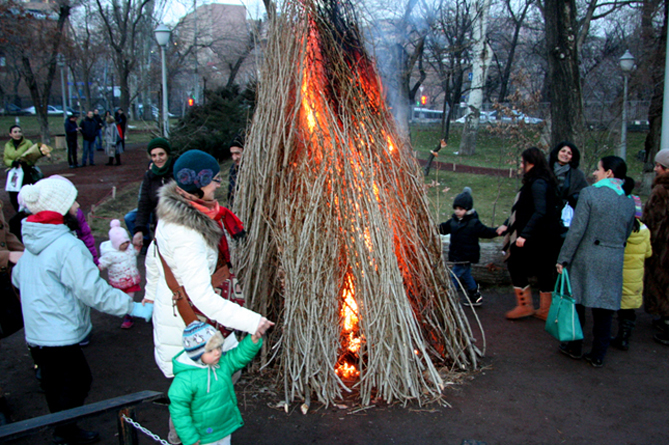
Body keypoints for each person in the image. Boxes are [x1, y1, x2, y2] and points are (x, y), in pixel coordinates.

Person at [143, 149, 273, 445]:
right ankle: (184, 439)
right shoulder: (187, 231)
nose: (218, 184)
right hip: (191, 325)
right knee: (199, 388)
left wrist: (150, 295)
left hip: (192, 317)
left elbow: (154, 256)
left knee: (216, 379)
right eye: (214, 179)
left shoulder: (183, 211)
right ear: (197, 183)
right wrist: (253, 321)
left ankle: (192, 433)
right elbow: (201, 295)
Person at [11, 176, 153, 444]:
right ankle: (64, 431)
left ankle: (62, 428)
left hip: (37, 332)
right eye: (72, 201)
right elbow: (92, 291)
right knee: (78, 380)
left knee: (53, 382)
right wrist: (131, 307)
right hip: (58, 330)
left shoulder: (32, 243)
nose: (77, 205)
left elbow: (18, 278)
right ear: (60, 210)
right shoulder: (67, 246)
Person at [556, 156, 636, 367]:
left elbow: (577, 230)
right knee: (604, 308)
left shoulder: (590, 193)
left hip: (587, 256)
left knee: (578, 302)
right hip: (614, 257)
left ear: (609, 172)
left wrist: (564, 258)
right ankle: (598, 354)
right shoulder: (629, 200)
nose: (594, 173)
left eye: (598, 169)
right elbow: (627, 231)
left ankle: (575, 347)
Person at [169, 321, 263, 445]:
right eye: (210, 350)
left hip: (223, 427)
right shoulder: (185, 380)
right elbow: (179, 412)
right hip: (203, 434)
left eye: (219, 347)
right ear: (197, 354)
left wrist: (253, 340)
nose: (217, 352)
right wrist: (190, 438)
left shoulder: (221, 364)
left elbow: (238, 356)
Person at [497, 147, 562, 320]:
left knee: (515, 263)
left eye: (522, 161)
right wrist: (506, 225)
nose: (520, 164)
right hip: (542, 235)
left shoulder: (538, 183)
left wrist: (524, 235)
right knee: (543, 270)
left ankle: (526, 306)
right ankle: (544, 309)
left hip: (537, 236)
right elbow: (523, 209)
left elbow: (540, 211)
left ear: (530, 162)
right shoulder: (540, 180)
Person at [438, 187, 499, 307]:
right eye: (456, 208)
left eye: (460, 209)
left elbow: (485, 232)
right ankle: (476, 297)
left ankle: (450, 298)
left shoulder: (473, 223)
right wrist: (430, 227)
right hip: (457, 254)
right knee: (466, 275)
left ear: (468, 209)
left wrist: (497, 231)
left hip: (467, 256)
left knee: (454, 276)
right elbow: (443, 228)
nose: (457, 211)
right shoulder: (453, 222)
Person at [611, 196, 652, 351]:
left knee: (611, 307)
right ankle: (624, 337)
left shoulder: (619, 229)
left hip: (618, 274)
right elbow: (648, 253)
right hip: (634, 278)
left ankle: (608, 336)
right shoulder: (645, 231)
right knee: (628, 310)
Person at [130, 138, 176, 250]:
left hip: (178, 222)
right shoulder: (149, 176)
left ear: (168, 154)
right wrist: (139, 230)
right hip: (159, 224)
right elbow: (144, 203)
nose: (158, 158)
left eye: (161, 154)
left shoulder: (177, 173)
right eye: (154, 155)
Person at [643, 148, 669, 345]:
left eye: (659, 166)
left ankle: (666, 319)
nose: (656, 169)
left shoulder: (660, 190)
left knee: (662, 281)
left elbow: (653, 218)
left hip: (661, 246)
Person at [98, 220, 141, 329]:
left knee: (129, 299)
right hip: (118, 281)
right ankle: (122, 310)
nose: (126, 245)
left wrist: (137, 249)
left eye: (127, 242)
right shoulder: (110, 255)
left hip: (131, 280)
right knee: (120, 298)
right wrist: (96, 269)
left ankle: (129, 316)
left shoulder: (129, 248)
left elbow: (133, 254)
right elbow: (102, 263)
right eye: (122, 244)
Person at [3, 125, 48, 211]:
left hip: (26, 172)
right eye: (15, 132)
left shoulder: (28, 143)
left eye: (19, 131)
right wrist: (12, 163)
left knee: (27, 193)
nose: (18, 134)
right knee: (13, 195)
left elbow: (33, 157)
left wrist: (26, 162)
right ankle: (18, 212)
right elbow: (6, 159)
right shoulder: (8, 145)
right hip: (14, 173)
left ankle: (30, 211)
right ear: (10, 134)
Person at [548, 141, 588, 228]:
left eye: (569, 153)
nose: (565, 154)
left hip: (565, 215)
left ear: (572, 157)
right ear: (557, 152)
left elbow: (583, 193)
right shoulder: (545, 169)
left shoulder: (578, 175)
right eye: (563, 151)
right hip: (545, 211)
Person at [227, 133, 244, 208]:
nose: (234, 158)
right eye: (232, 154)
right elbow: (230, 195)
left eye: (237, 153)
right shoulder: (233, 169)